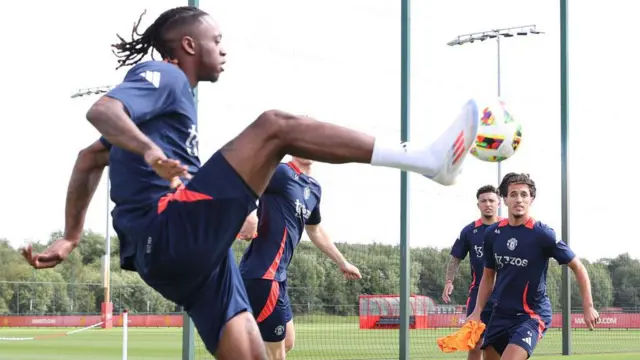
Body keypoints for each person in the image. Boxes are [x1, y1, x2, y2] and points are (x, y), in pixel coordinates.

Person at [20, 6, 479, 360]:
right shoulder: (164, 75)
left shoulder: (171, 108)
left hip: (186, 262)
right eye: (216, 39)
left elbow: (88, 158)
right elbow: (101, 110)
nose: (223, 48)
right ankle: (426, 158)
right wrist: (148, 152)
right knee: (276, 126)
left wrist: (71, 236)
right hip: (167, 229)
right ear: (188, 44)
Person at [238, 156, 361, 360]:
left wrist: (342, 262)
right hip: (263, 273)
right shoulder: (282, 172)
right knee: (276, 354)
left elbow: (315, 230)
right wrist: (250, 214)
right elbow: (242, 179)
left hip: (279, 276)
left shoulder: (314, 188)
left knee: (287, 342)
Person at [467, 173, 599, 360]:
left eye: (524, 194)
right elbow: (488, 277)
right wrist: (476, 312)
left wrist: (588, 306)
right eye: (513, 194)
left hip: (531, 315)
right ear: (504, 199)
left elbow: (579, 267)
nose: (518, 199)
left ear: (532, 199)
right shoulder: (492, 234)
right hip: (500, 314)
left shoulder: (543, 234)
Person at [442, 184, 501, 360]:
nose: (488, 204)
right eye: (483, 201)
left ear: (499, 203)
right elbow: (455, 258)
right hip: (478, 293)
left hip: (505, 293)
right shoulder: (470, 231)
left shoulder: (508, 227)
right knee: (474, 341)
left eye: (491, 200)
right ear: (478, 205)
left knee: (497, 344)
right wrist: (448, 281)